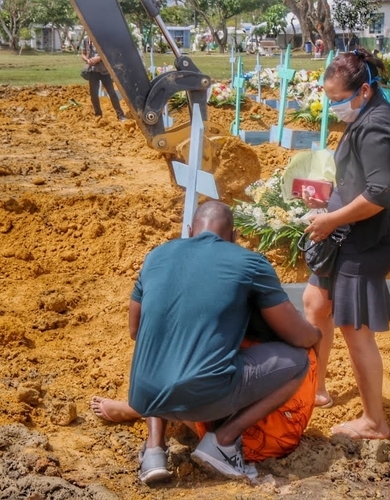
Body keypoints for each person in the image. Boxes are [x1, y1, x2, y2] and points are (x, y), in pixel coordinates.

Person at [124, 201, 321, 484]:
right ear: (235, 236)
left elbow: (135, 330)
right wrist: (317, 335)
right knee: (298, 361)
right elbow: (296, 335)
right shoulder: (249, 262)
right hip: (204, 398)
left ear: (190, 230)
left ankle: (154, 449)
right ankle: (223, 442)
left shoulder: (156, 256)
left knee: (160, 343)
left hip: (144, 396)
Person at [301, 48, 390, 440]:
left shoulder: (377, 126)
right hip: (348, 233)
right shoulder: (366, 113)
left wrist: (330, 218)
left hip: (369, 239)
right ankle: (316, 389)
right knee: (315, 304)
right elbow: (362, 180)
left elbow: (379, 193)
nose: (334, 107)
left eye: (337, 100)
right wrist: (327, 198)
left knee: (353, 327)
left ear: (363, 90)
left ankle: (374, 422)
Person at [89, 313, 319, 464]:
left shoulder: (224, 329)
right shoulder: (295, 329)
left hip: (243, 443)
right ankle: (143, 411)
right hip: (287, 437)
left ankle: (150, 434)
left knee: (168, 360)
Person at [80, 35, 126, 121]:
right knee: (93, 95)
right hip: (93, 71)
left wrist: (99, 58)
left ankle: (120, 115)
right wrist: (87, 60)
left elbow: (109, 53)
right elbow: (83, 54)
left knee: (112, 93)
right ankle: (98, 115)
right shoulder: (86, 39)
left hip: (104, 71)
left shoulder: (101, 38)